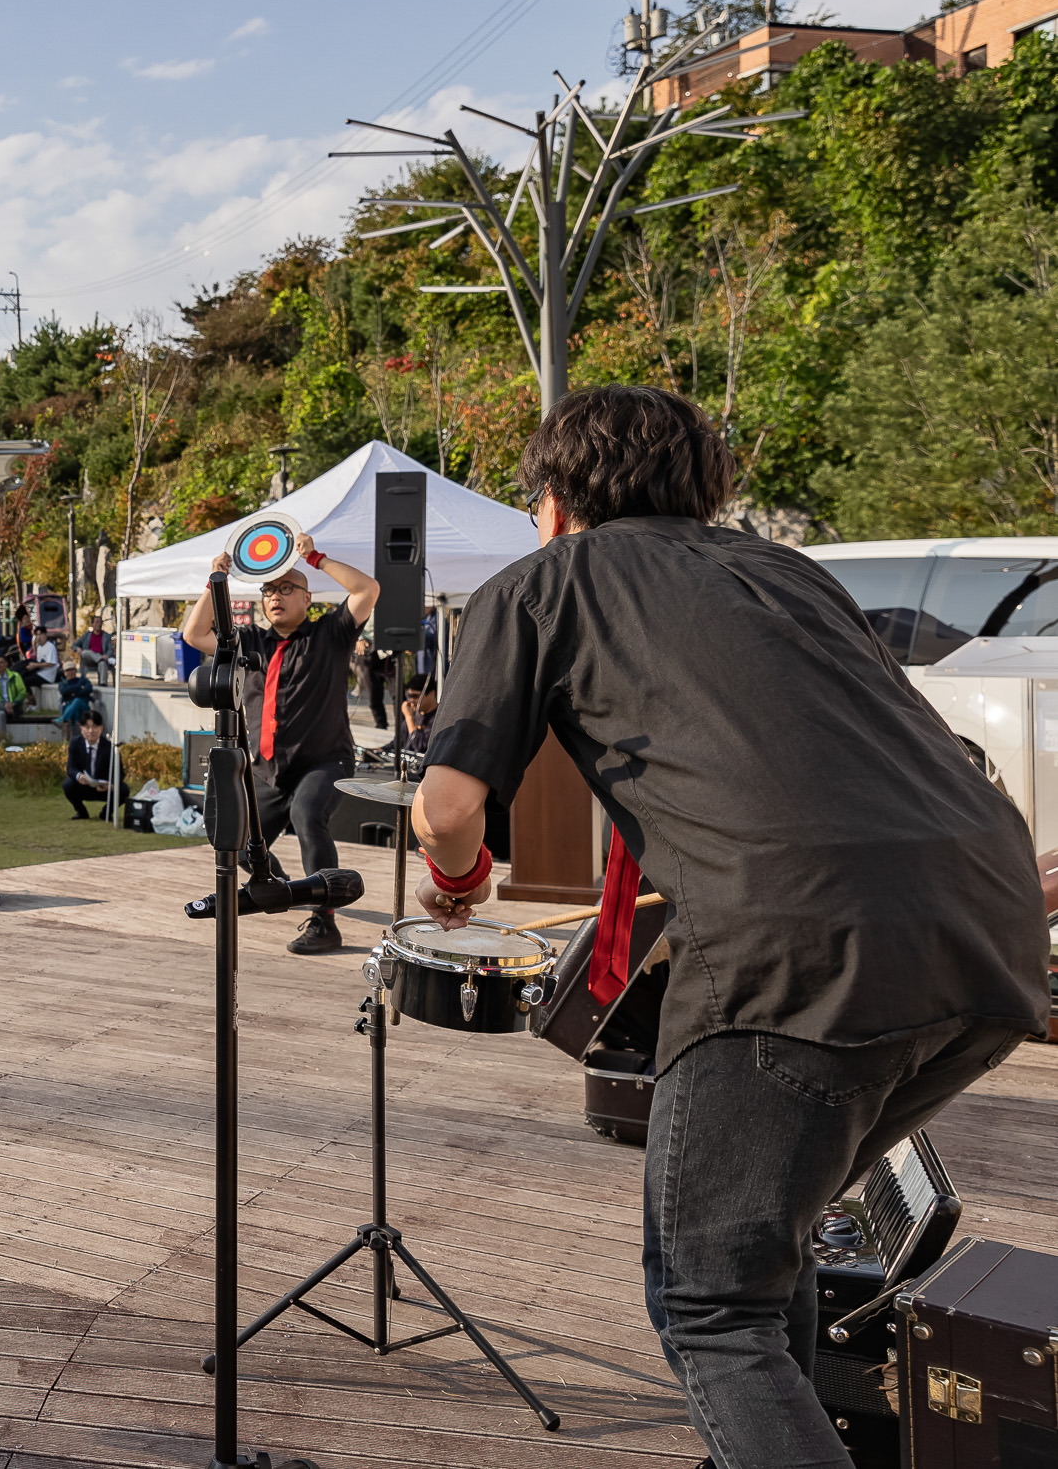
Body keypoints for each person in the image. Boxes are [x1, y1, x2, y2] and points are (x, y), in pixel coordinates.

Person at [420, 390, 1040, 1465]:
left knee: (710, 1303)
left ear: (557, 503)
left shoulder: (541, 582)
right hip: (989, 936)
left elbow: (447, 804)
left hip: (795, 954)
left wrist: (460, 876)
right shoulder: (793, 572)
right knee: (766, 1240)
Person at [179, 527, 380, 955]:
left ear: (307, 599)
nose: (276, 596)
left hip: (324, 762)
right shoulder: (249, 642)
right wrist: (216, 580)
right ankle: (280, 885)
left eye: (287, 588)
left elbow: (368, 589)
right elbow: (195, 635)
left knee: (308, 814)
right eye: (269, 589)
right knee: (232, 837)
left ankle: (324, 922)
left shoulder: (330, 634)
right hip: (267, 768)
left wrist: (316, 558)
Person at [63, 712, 116, 820]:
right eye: (87, 727)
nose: (91, 731)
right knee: (67, 784)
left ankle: (106, 813)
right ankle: (81, 812)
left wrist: (110, 784)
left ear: (101, 728)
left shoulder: (109, 746)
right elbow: (71, 768)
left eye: (94, 727)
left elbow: (119, 772)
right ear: (81, 728)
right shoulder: (75, 743)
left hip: (103, 788)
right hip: (83, 785)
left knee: (123, 789)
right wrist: (79, 776)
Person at [0, 654, 30, 737]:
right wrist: (5, 704)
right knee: (0, 714)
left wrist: (13, 703)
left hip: (15, 706)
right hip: (1, 706)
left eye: (1, 662)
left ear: (6, 664)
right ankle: (3, 739)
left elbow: (22, 692)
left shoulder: (15, 676)